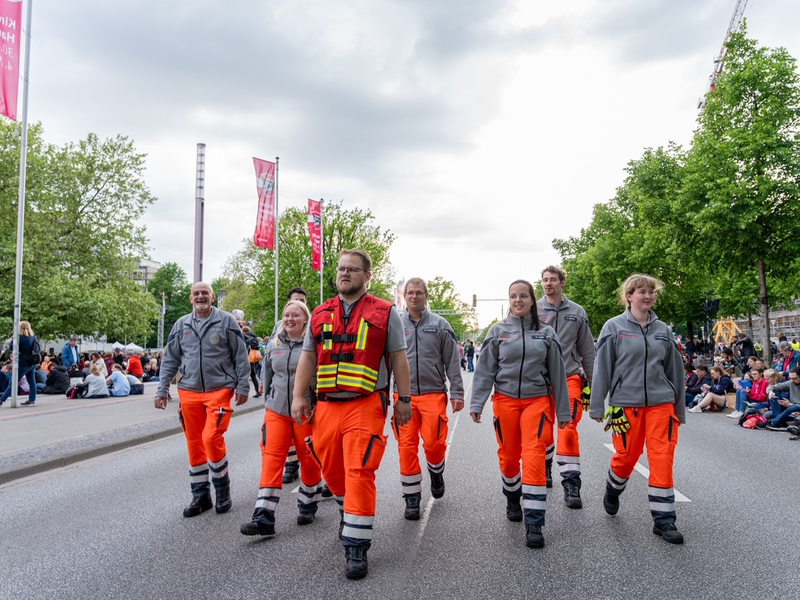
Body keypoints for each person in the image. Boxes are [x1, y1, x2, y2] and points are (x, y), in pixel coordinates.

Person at [290, 249, 411, 580]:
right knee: (331, 469)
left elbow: (399, 358)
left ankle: (356, 546)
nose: (344, 274)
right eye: (341, 269)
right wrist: (299, 395)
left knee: (359, 470)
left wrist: (404, 398)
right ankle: (347, 509)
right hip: (327, 406)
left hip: (366, 404)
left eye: (352, 270)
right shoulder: (319, 312)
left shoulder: (386, 313)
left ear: (367, 276)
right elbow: (308, 359)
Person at [470, 279, 570, 550]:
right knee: (509, 457)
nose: (518, 300)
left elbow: (558, 375)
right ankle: (512, 496)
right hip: (505, 402)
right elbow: (485, 371)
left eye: (523, 296)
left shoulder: (546, 333)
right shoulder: (498, 331)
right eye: (513, 296)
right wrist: (476, 403)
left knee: (535, 456)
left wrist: (563, 411)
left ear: (532, 300)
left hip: (537, 402)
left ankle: (535, 522)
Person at [589, 274, 686, 545]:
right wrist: (598, 405)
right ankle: (613, 488)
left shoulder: (663, 330)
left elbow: (674, 370)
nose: (647, 296)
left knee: (662, 457)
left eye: (651, 292)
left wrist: (679, 408)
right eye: (641, 291)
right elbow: (603, 369)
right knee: (626, 456)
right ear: (629, 296)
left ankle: (664, 520)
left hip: (661, 403)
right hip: (625, 405)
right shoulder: (614, 327)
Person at [155, 282, 250, 518]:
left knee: (211, 437)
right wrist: (162, 389)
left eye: (204, 293)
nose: (200, 297)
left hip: (219, 388)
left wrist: (243, 384)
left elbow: (240, 355)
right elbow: (170, 360)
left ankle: (222, 490)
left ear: (212, 296)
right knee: (194, 442)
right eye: (196, 293)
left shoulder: (226, 321)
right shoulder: (181, 325)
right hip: (188, 390)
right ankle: (200, 496)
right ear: (191, 298)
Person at [240, 300, 322, 537]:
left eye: (295, 315)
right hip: (276, 411)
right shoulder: (275, 345)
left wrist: (315, 403)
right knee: (272, 459)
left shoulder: (313, 346)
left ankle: (308, 502)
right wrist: (268, 403)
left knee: (309, 460)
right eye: (286, 315)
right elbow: (267, 374)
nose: (289, 319)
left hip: (305, 413)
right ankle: (263, 516)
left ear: (305, 319)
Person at [394, 277, 464, 520]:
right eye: (410, 293)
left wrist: (457, 391)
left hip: (433, 394)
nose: (414, 297)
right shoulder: (394, 324)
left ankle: (436, 471)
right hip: (403, 397)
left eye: (419, 293)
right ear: (404, 296)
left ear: (426, 296)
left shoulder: (441, 325)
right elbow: (385, 361)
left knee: (434, 444)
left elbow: (452, 362)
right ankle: (412, 498)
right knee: (406, 447)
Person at [537, 265, 595, 508]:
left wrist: (596, 384)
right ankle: (545, 466)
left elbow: (587, 352)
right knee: (542, 430)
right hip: (538, 379)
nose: (548, 283)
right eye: (545, 280)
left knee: (568, 426)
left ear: (562, 283)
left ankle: (571, 483)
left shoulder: (577, 312)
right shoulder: (533, 310)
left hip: (569, 376)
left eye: (553, 279)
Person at [1, 320, 41, 406]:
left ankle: (2, 399)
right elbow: (39, 348)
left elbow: (12, 347)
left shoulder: (20, 338)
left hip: (23, 363)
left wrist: (13, 339)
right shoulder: (34, 337)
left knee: (14, 382)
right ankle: (32, 399)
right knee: (32, 381)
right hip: (32, 362)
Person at [242, 326, 263, 398]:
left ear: (244, 332)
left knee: (243, 376)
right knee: (253, 375)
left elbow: (243, 348)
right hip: (254, 358)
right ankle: (258, 391)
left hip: (247, 358)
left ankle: (243, 392)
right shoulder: (254, 337)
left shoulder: (245, 337)